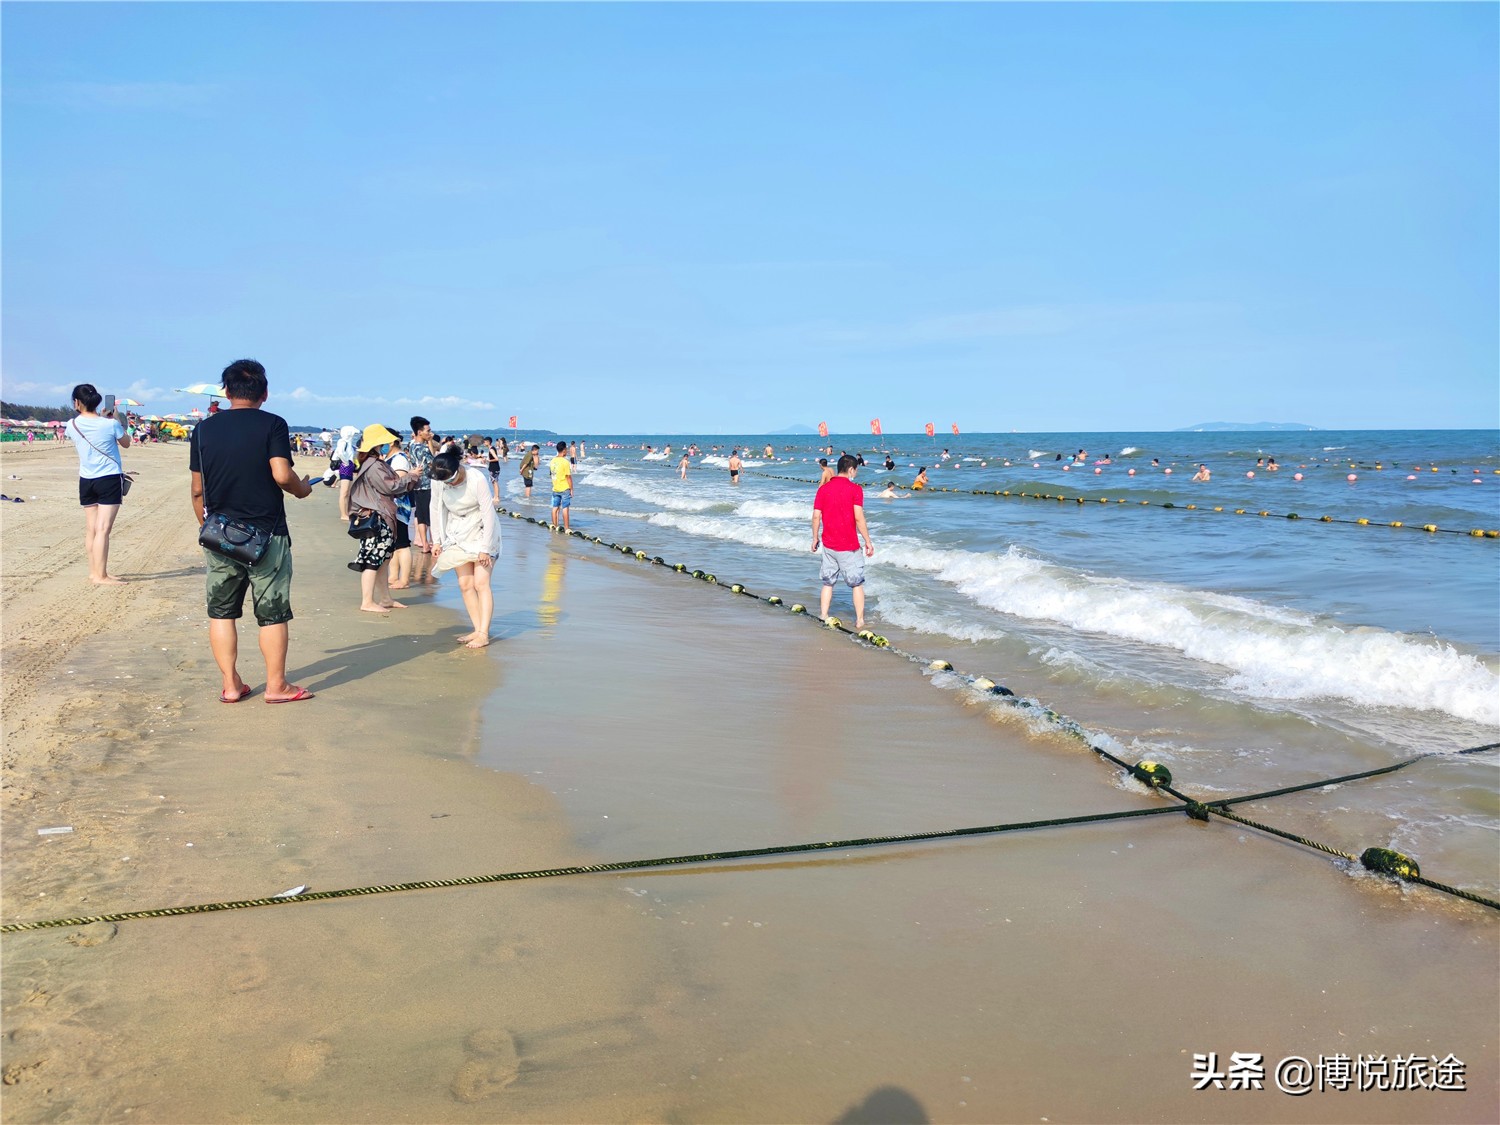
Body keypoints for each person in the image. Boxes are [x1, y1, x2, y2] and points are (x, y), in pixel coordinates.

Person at [189, 360, 314, 703]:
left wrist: (207, 525)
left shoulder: (203, 430)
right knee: (272, 612)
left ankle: (231, 685)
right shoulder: (273, 424)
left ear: (226, 392)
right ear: (265, 393)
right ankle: (276, 686)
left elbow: (197, 489)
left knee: (221, 611)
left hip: (219, 533)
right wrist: (302, 489)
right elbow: (281, 474)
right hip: (267, 533)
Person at [430, 450, 503, 648]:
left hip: (482, 531)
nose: (450, 484)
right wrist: (436, 540)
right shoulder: (439, 479)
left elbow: (488, 513)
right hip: (457, 532)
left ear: (459, 466)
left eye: (452, 479)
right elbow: (435, 508)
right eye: (447, 482)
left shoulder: (476, 478)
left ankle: (483, 633)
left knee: (481, 583)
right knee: (465, 584)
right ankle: (477, 628)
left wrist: (486, 548)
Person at [348, 424, 421, 614]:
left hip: (377, 516)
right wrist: (412, 476)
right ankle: (367, 601)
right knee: (373, 561)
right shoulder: (375, 465)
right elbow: (391, 487)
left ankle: (385, 599)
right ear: (378, 444)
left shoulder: (370, 463)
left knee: (383, 560)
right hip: (378, 517)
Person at [66, 383, 133, 584]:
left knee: (92, 529)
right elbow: (126, 442)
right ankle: (101, 576)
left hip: (86, 479)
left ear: (77, 402)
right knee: (103, 529)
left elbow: (87, 433)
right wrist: (116, 419)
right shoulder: (110, 424)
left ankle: (94, 571)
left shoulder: (72, 424)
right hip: (109, 478)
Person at [811, 454, 874, 629]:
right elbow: (859, 518)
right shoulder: (855, 489)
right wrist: (868, 541)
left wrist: (815, 538)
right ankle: (860, 620)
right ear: (852, 469)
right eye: (856, 470)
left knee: (827, 582)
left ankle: (823, 615)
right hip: (849, 546)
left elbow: (816, 516)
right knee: (856, 584)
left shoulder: (823, 489)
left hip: (828, 544)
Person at [386, 432, 415, 589]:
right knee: (394, 543)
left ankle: (404, 580)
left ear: (391, 442)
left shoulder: (399, 459)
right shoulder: (390, 458)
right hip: (391, 506)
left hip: (399, 507)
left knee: (402, 544)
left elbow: (399, 484)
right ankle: (393, 576)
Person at [407, 415, 436, 552]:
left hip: (417, 485)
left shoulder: (411, 445)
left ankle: (425, 544)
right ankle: (428, 543)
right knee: (428, 516)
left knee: (420, 515)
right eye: (428, 431)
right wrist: (430, 441)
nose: (429, 433)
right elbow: (433, 461)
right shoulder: (423, 448)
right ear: (420, 432)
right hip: (427, 485)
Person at [549, 440, 574, 529]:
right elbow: (568, 477)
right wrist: (571, 489)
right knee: (565, 508)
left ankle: (555, 525)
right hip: (564, 488)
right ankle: (566, 528)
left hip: (555, 487)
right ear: (563, 450)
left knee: (555, 507)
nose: (566, 451)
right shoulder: (565, 462)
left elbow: (551, 474)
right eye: (566, 449)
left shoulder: (552, 461)